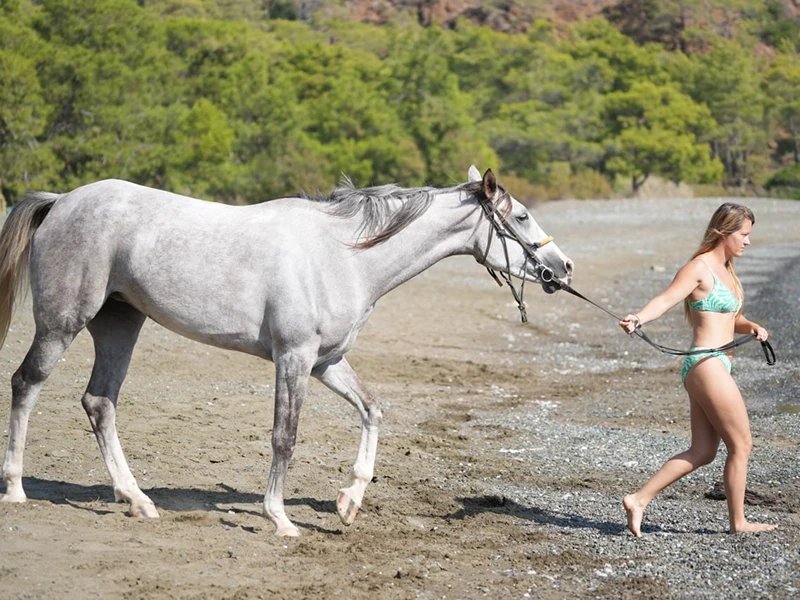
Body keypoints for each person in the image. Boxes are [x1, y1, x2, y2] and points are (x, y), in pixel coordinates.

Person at [618, 203, 778, 537]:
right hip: (706, 363)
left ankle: (639, 499)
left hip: (715, 365)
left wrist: (751, 326)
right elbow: (665, 300)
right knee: (742, 445)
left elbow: (730, 318)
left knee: (703, 451)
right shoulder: (699, 268)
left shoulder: (728, 271)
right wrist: (638, 318)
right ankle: (739, 522)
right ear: (725, 231)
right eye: (744, 235)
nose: (748, 241)